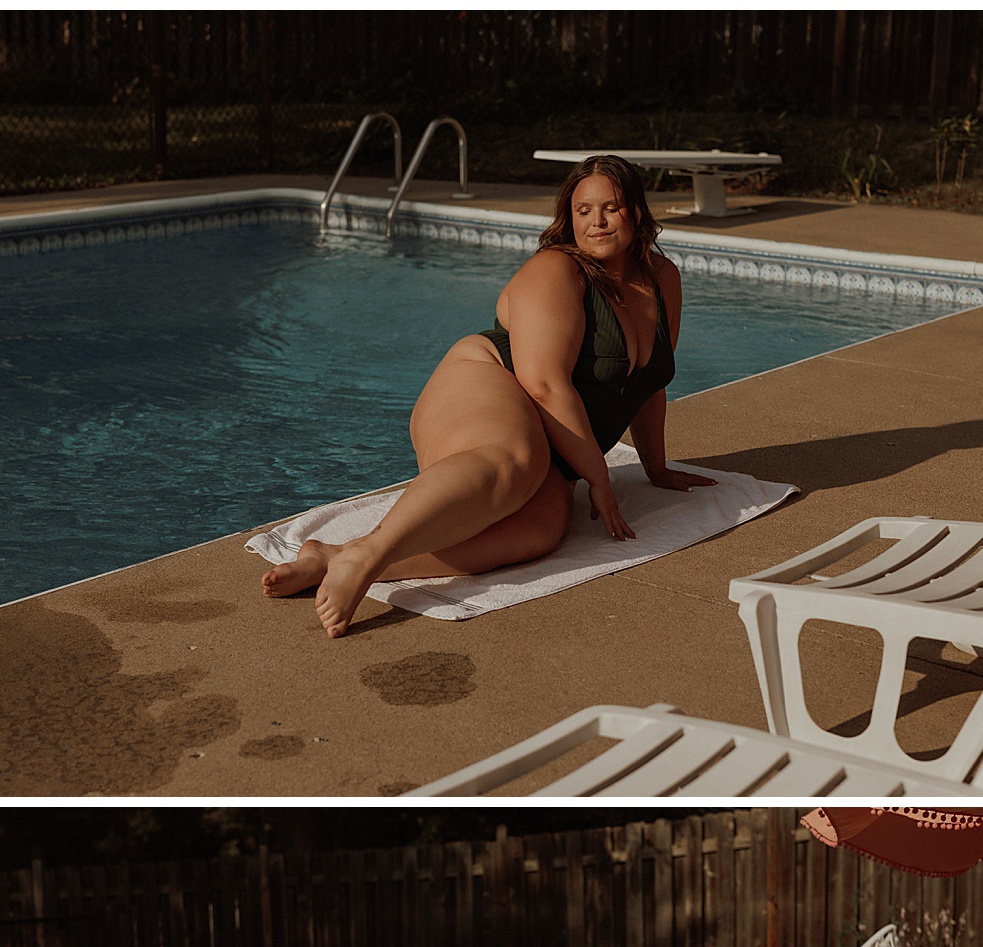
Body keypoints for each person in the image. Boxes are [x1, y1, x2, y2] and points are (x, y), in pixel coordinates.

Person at [260, 154, 716, 637]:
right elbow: (543, 383)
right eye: (583, 211)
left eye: (612, 207)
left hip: (557, 439)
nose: (597, 221)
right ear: (569, 217)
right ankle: (372, 552)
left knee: (540, 531)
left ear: (638, 212)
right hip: (487, 382)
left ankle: (339, 557)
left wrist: (657, 468)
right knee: (514, 457)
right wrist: (600, 480)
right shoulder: (557, 270)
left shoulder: (662, 279)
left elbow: (648, 385)